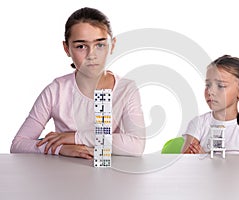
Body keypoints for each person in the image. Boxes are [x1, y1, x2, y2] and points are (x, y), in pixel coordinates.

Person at [10, 7, 146, 159]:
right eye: (81, 46)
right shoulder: (56, 90)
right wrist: (60, 148)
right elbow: (18, 144)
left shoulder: (126, 89)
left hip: (112, 175)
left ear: (112, 45)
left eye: (100, 45)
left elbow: (136, 145)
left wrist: (75, 137)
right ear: (66, 48)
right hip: (65, 174)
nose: (91, 55)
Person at [182, 55, 239, 154]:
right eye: (208, 85)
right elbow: (186, 162)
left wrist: (206, 160)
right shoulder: (198, 124)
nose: (210, 91)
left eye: (221, 86)